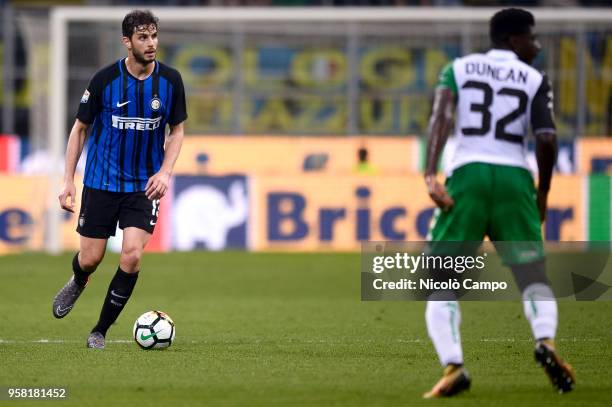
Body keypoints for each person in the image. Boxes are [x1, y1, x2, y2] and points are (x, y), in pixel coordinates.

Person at [422, 8, 575, 398]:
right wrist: (542, 193)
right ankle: (546, 341)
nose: (537, 47)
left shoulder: (458, 69)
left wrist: (430, 174)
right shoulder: (535, 79)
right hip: (513, 178)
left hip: (469, 175)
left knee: (441, 281)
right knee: (533, 277)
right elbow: (545, 137)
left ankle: (453, 366)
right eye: (532, 39)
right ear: (513, 40)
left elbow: (440, 117)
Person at [52, 10, 187, 349]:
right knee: (91, 258)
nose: (151, 43)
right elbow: (80, 128)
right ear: (127, 42)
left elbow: (178, 129)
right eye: (143, 37)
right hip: (100, 182)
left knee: (132, 256)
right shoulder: (104, 80)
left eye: (154, 36)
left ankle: (99, 330)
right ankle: (80, 279)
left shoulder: (170, 81)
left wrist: (165, 171)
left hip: (143, 186)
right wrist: (68, 180)